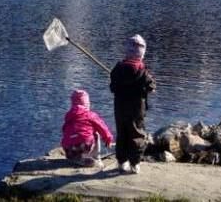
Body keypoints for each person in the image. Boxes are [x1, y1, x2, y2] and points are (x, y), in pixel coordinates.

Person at [109, 34, 156, 174]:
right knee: (137, 134)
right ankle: (135, 163)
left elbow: (113, 88)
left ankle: (122, 162)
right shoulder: (143, 71)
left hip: (120, 109)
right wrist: (149, 88)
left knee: (122, 133)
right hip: (137, 110)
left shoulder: (118, 69)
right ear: (141, 54)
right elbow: (151, 86)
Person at [60, 89, 114, 167]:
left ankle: (75, 158)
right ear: (87, 103)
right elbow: (103, 128)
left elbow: (64, 129)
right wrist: (108, 139)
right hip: (84, 146)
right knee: (96, 133)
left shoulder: (68, 115)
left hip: (68, 148)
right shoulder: (90, 115)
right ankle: (97, 158)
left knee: (72, 133)